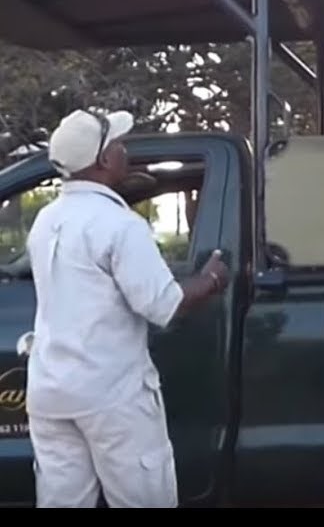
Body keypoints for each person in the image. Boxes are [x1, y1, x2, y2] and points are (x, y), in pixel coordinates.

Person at [24, 108, 230, 508]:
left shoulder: (46, 220)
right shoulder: (119, 225)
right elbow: (164, 305)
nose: (125, 150)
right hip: (110, 394)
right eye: (118, 144)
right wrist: (212, 280)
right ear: (103, 161)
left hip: (50, 391)